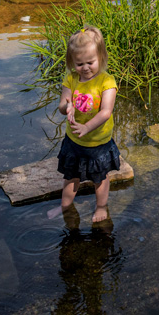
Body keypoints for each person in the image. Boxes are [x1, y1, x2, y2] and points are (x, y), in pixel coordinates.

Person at [53, 26, 120, 224]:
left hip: (98, 143)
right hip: (74, 141)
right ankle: (65, 206)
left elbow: (106, 112)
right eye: (79, 63)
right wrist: (68, 106)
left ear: (101, 57)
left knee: (100, 178)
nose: (85, 67)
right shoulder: (71, 79)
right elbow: (62, 104)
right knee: (70, 176)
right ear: (72, 63)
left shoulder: (106, 82)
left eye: (90, 62)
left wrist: (87, 127)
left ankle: (101, 206)